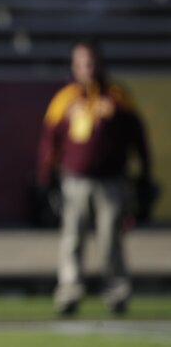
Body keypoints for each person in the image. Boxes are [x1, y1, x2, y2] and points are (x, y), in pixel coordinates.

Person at [36, 39, 153, 316]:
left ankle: (117, 293)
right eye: (80, 63)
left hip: (111, 181)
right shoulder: (65, 98)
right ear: (74, 67)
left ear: (100, 63)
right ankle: (69, 293)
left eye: (90, 62)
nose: (86, 68)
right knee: (72, 239)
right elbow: (49, 142)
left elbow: (138, 137)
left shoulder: (117, 96)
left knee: (110, 238)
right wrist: (46, 177)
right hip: (74, 180)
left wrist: (144, 174)